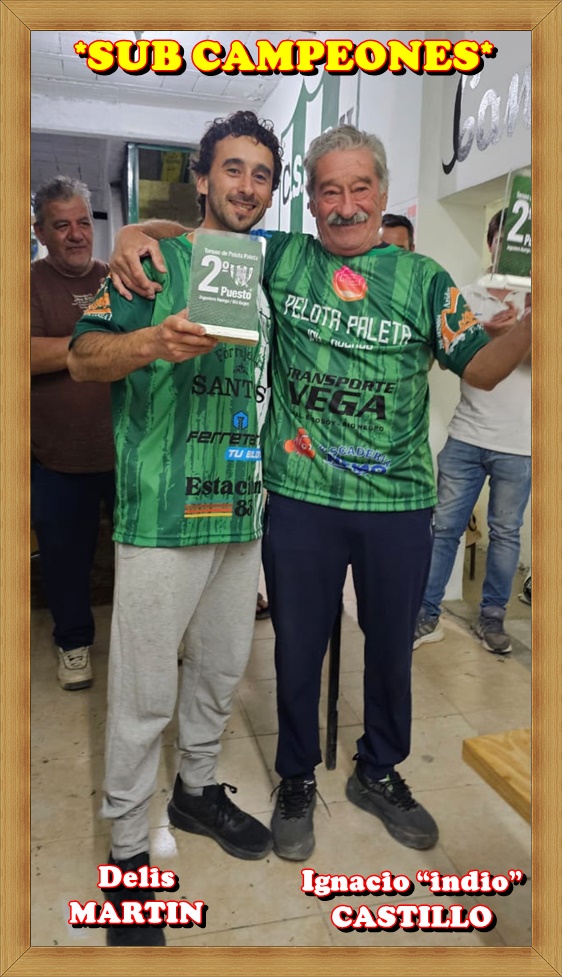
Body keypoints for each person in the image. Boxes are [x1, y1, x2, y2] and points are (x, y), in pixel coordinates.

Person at [109, 126, 531, 864]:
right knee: (297, 651)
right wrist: (134, 232)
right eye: (328, 190)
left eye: (359, 188)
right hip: (301, 498)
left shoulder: (424, 279)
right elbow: (207, 232)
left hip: (398, 502)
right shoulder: (280, 257)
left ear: (382, 193)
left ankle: (379, 771)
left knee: (391, 650)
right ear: (308, 201)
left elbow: (484, 370)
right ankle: (297, 778)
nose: (345, 205)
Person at [68, 111, 283, 947]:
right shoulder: (152, 264)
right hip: (161, 512)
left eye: (261, 174)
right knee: (142, 690)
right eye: (232, 169)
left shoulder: (268, 270)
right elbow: (83, 356)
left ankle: (196, 791)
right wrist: (152, 341)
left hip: (240, 506)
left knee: (222, 669)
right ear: (201, 178)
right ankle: (128, 851)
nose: (245, 186)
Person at [414, 209, 531, 654]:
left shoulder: (541, 299)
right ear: (492, 244)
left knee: (506, 533)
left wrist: (518, 331)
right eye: (505, 239)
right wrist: (486, 333)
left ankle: (492, 619)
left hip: (521, 443)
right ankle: (425, 614)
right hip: (465, 435)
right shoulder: (464, 297)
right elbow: (448, 357)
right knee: (444, 528)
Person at [31, 176, 115, 691]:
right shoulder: (26, 283)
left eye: (83, 222)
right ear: (40, 232)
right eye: (62, 225)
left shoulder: (115, 277)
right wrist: (96, 345)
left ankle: (144, 640)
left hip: (126, 451)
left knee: (143, 557)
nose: (77, 234)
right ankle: (74, 643)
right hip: (56, 457)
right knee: (64, 559)